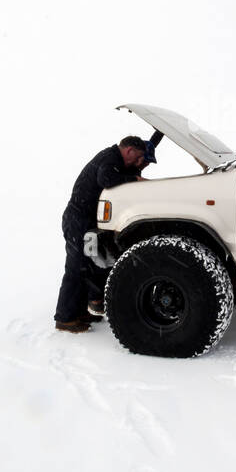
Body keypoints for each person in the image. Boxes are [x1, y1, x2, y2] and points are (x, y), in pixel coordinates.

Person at [54, 136, 148, 332]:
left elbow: (146, 150)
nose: (139, 163)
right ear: (129, 150)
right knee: (76, 268)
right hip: (77, 221)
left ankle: (80, 312)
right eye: (138, 157)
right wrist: (134, 179)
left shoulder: (115, 157)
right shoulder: (110, 159)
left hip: (86, 222)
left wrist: (158, 135)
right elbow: (105, 179)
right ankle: (65, 318)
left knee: (87, 267)